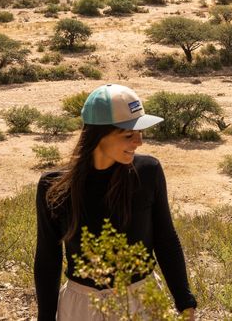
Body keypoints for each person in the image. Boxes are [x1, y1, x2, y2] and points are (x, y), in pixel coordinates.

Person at [35, 84, 197, 320]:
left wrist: (185, 303)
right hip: (82, 306)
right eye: (129, 135)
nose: (139, 142)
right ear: (98, 135)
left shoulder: (148, 172)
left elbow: (166, 239)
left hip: (142, 301)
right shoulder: (54, 187)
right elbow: (48, 259)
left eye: (140, 132)